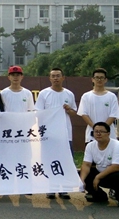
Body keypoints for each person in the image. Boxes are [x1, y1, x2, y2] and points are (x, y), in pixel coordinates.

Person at [35, 67, 77, 200]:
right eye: (53, 76)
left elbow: (74, 112)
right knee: (49, 160)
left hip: (65, 134)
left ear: (63, 78)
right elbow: (38, 113)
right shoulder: (44, 93)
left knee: (65, 160)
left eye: (58, 76)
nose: (55, 78)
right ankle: (51, 188)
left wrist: (69, 110)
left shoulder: (69, 94)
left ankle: (64, 189)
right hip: (49, 134)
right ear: (49, 78)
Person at [79, 122, 119, 208]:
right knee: (83, 174)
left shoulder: (117, 145)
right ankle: (99, 196)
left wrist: (98, 177)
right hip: (102, 173)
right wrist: (81, 180)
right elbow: (86, 165)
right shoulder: (90, 146)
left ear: (108, 133)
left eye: (101, 131)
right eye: (96, 131)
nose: (98, 134)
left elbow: (116, 167)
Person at [77, 68, 119, 143]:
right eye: (97, 77)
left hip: (109, 135)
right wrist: (95, 128)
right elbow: (84, 114)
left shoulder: (111, 96)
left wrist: (103, 129)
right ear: (92, 79)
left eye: (101, 78)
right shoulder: (86, 96)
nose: (99, 80)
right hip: (91, 135)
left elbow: (113, 115)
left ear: (105, 80)